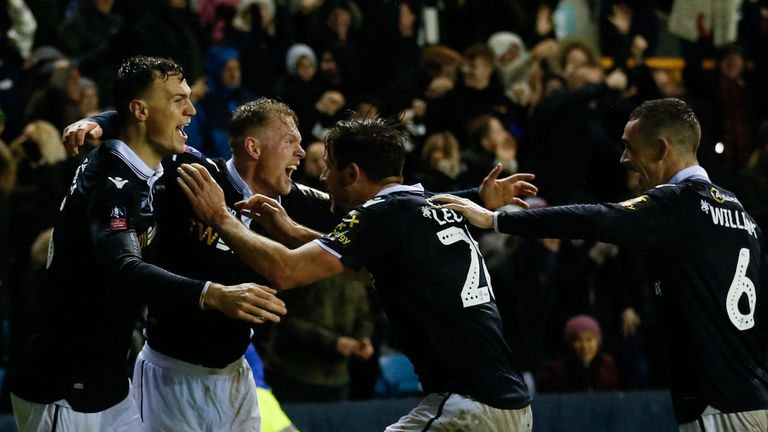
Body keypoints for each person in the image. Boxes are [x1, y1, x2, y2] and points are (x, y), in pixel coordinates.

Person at [64, 96, 535, 430]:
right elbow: (144, 138)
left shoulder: (299, 202)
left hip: (235, 379)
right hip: (172, 372)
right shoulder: (196, 178)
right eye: (290, 141)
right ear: (254, 146)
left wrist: (476, 198)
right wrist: (103, 122)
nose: (303, 155)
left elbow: (398, 210)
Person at [432, 98, 768, 431]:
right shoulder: (743, 214)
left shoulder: (679, 203)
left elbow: (596, 219)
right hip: (753, 399)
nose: (623, 159)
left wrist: (497, 220)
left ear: (662, 149)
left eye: (629, 147)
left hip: (718, 408)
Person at [8, 56, 285, 432]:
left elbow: (226, 171)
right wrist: (213, 294)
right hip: (64, 386)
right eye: (176, 100)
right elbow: (124, 267)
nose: (191, 109)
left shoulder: (160, 166)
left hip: (110, 384)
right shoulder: (109, 182)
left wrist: (101, 120)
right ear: (140, 110)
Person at [537, 314, 620, 393]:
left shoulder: (609, 367)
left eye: (589, 339)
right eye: (578, 340)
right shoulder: (557, 372)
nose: (584, 346)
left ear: (598, 342)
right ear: (570, 343)